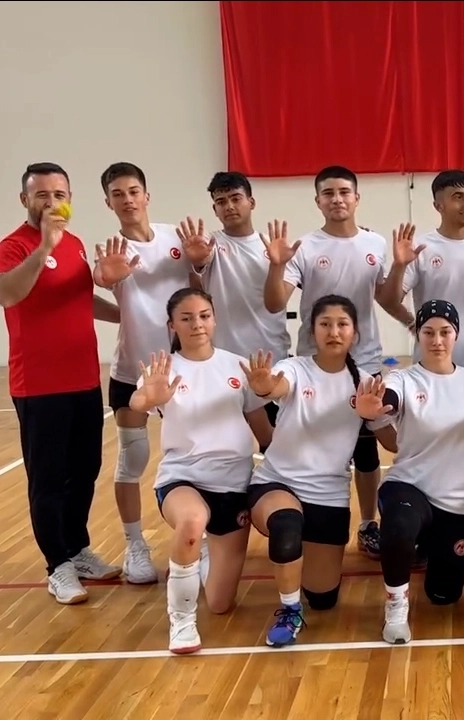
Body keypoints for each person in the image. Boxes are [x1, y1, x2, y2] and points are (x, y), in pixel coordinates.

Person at [262, 165, 414, 558]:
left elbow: (387, 299)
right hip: (315, 365)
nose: (337, 199)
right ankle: (298, 514)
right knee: (316, 443)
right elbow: (275, 303)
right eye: (328, 193)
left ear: (357, 198)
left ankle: (367, 524)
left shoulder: (375, 243)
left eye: (344, 192)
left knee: (366, 450)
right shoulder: (305, 247)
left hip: (364, 361)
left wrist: (399, 270)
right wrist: (276, 265)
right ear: (318, 201)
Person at [379, 171, 464, 562]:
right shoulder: (422, 248)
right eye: (457, 196)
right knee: (431, 450)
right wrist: (412, 318)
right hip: (432, 375)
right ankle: (425, 531)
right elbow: (389, 298)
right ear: (438, 204)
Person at [244, 295, 398, 647]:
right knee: (286, 524)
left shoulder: (365, 383)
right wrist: (263, 385)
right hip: (278, 483)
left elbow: (391, 443)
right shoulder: (295, 368)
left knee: (324, 597)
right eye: (325, 324)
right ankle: (289, 610)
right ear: (312, 331)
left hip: (328, 496)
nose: (334, 331)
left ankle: (301, 575)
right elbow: (275, 386)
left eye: (342, 324)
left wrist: (380, 416)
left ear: (355, 333)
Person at [0, 162, 122, 605]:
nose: (52, 202)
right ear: (25, 200)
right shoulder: (13, 247)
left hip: (84, 379)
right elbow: (9, 293)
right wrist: (43, 248)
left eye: (59, 194)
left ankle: (77, 548)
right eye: (42, 195)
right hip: (38, 385)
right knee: (48, 479)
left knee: (85, 470)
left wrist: (129, 315)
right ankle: (58, 565)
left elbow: (81, 298)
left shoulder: (74, 244)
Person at [128, 288, 273, 654]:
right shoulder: (163, 370)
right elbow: (138, 401)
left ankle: (202, 552)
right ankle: (181, 621)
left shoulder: (236, 367)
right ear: (172, 325)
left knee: (221, 603)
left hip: (233, 484)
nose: (197, 324)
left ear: (214, 319)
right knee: (192, 521)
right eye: (187, 318)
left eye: (204, 315)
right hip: (183, 478)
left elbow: (261, 426)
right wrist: (148, 399)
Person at [352, 300, 464, 645]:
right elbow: (389, 399)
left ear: (456, 335)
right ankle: (396, 605)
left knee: (443, 596)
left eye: (445, 332)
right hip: (410, 485)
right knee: (399, 525)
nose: (437, 340)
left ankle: (428, 547)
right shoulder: (403, 378)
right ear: (418, 335)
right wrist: (374, 407)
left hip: (460, 498)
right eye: (428, 332)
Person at [92, 161, 195, 585]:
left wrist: (199, 262)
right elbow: (100, 278)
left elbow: (198, 288)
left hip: (182, 368)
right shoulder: (111, 251)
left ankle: (199, 538)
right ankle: (135, 544)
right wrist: (109, 281)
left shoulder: (176, 239)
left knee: (193, 454)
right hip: (131, 369)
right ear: (108, 203)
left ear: (146, 195)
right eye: (118, 194)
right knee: (133, 459)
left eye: (133, 191)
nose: (127, 200)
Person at [184, 171, 291, 432]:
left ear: (251, 202)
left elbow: (277, 302)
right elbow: (196, 285)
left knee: (276, 441)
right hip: (224, 361)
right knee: (227, 442)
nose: (229, 206)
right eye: (221, 202)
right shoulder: (209, 245)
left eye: (235, 198)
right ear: (215, 209)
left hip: (270, 356)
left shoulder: (273, 247)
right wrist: (197, 262)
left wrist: (277, 264)